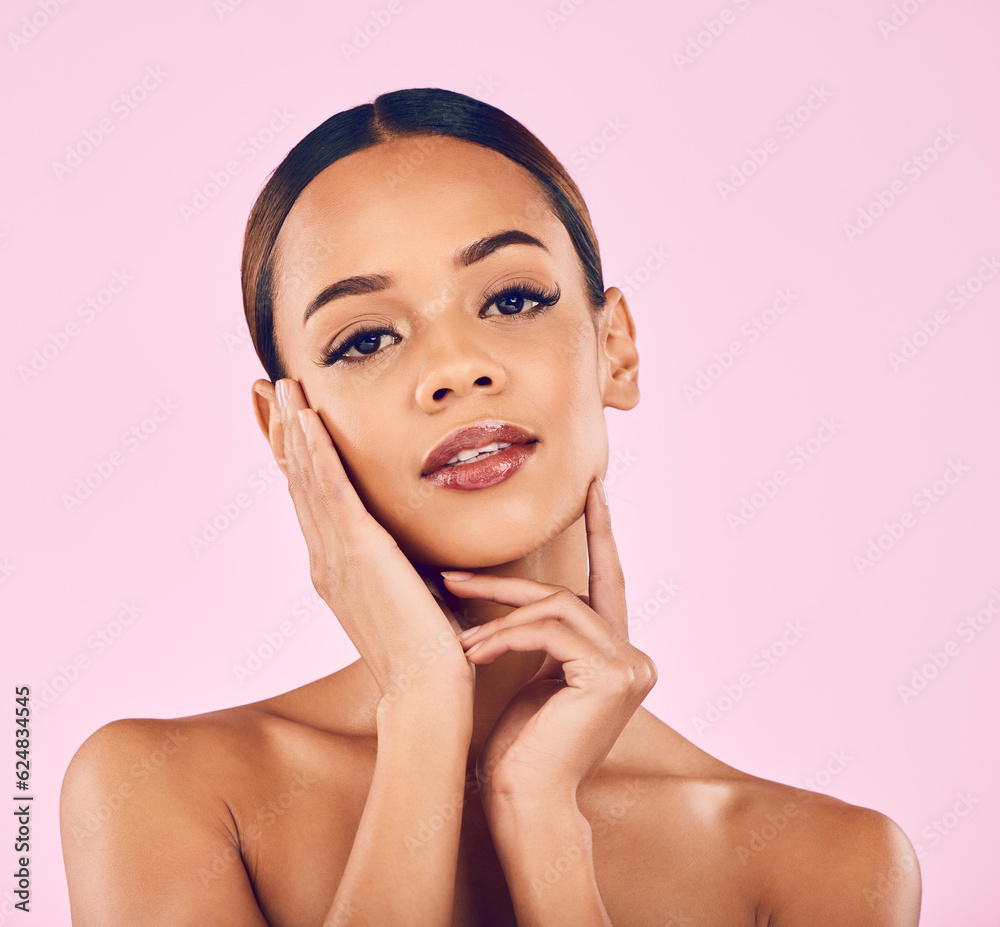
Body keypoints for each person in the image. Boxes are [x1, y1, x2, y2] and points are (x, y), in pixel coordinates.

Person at [60, 87, 921, 926]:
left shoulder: (827, 865)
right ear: (285, 427)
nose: (458, 367)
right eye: (366, 338)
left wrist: (544, 821)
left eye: (511, 300)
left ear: (614, 348)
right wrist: (423, 703)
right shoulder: (161, 793)